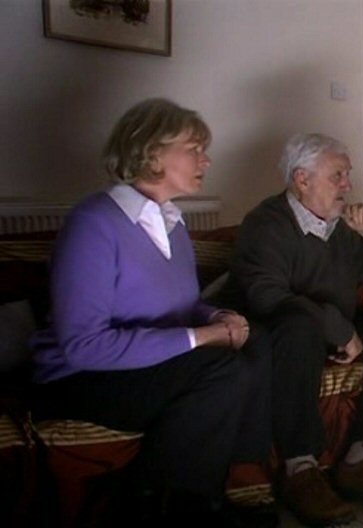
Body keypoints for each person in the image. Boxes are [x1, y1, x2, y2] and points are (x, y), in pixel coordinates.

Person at [30, 98, 273, 526]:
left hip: (146, 364)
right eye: (194, 149)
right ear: (152, 152)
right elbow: (84, 346)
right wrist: (201, 337)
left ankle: (228, 487)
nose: (206, 160)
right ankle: (176, 507)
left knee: (257, 342)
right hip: (81, 377)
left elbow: (180, 305)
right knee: (220, 368)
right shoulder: (93, 222)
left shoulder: (173, 224)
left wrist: (214, 317)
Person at [221, 132, 363, 527]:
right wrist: (337, 328)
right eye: (338, 175)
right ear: (302, 179)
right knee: (298, 326)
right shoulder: (265, 224)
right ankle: (300, 468)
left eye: (347, 175)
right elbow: (267, 296)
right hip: (280, 333)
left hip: (329, 329)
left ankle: (362, 460)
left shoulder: (338, 228)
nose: (347, 185)